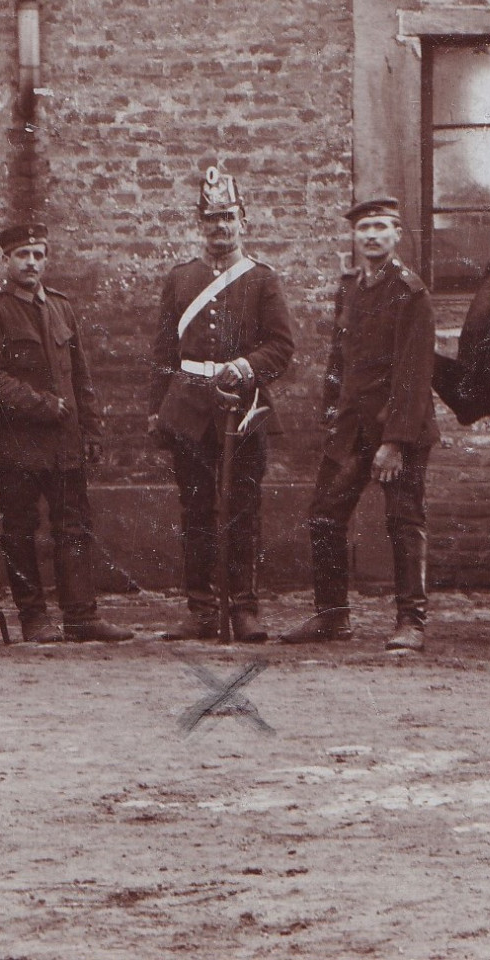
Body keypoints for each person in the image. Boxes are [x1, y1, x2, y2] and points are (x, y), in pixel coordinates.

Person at [280, 197, 438, 652]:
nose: (371, 235)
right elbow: (338, 359)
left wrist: (395, 442)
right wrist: (332, 414)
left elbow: (413, 374)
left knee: (404, 521)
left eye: (381, 227)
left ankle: (412, 622)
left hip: (398, 431)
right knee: (325, 515)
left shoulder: (411, 293)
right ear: (354, 235)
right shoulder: (349, 287)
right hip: (351, 428)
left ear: (397, 235)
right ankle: (332, 620)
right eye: (364, 227)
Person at [149, 166, 295, 642]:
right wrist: (158, 412)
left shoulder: (262, 280)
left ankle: (244, 608)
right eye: (212, 219)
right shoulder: (180, 279)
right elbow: (164, 353)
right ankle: (201, 608)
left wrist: (246, 367)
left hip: (244, 408)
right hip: (189, 409)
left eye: (229, 218)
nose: (221, 228)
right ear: (199, 224)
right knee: (195, 509)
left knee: (243, 509)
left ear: (244, 221)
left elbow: (281, 347)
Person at [0, 222, 132, 644]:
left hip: (64, 443)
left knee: (74, 527)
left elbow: (81, 375)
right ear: (5, 260)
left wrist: (92, 429)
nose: (31, 263)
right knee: (20, 530)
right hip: (18, 444)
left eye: (39, 254)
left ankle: (81, 616)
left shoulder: (61, 308)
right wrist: (41, 405)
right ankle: (33, 617)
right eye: (22, 255)